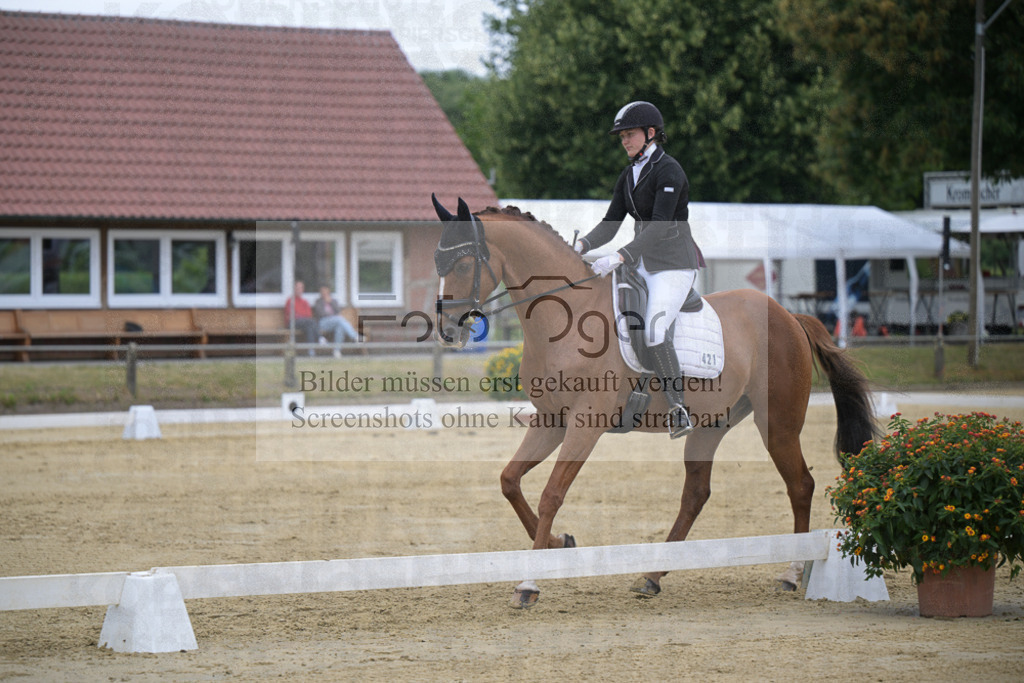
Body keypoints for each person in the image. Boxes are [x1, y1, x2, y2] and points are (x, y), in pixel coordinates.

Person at [574, 101, 705, 439]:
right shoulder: (629, 174)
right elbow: (610, 223)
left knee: (655, 330)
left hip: (674, 265)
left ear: (650, 134)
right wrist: (580, 246)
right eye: (621, 137)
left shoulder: (669, 170)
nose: (624, 141)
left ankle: (678, 409)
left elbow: (661, 226)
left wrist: (620, 256)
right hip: (642, 264)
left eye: (629, 135)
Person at [313, 285, 359, 358]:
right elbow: (320, 313)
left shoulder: (333, 301)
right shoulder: (318, 302)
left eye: (326, 292)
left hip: (334, 322)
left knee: (340, 327)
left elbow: (338, 311)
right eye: (323, 292)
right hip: (323, 323)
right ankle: (354, 336)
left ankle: (337, 351)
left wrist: (330, 302)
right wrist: (331, 315)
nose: (324, 293)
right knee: (339, 319)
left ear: (328, 292)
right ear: (321, 293)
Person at [284, 280, 319, 355]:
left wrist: (301, 317)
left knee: (309, 327)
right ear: (294, 289)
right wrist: (302, 317)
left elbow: (309, 315)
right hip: (292, 323)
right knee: (311, 322)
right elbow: (292, 315)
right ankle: (320, 338)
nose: (299, 290)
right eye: (298, 288)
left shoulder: (305, 302)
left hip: (304, 323)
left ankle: (311, 350)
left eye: (301, 288)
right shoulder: (290, 301)